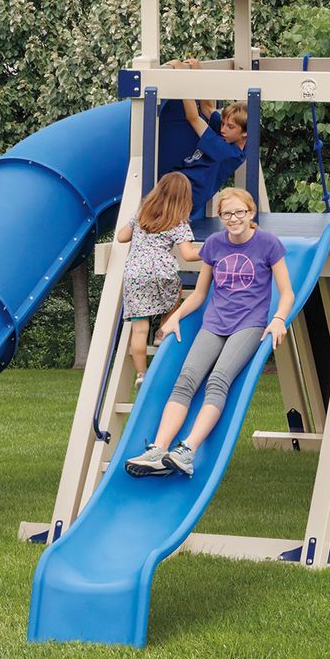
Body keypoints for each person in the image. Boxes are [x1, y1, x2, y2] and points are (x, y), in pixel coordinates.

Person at [124, 187, 291, 478]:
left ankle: (187, 450)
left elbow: (286, 293)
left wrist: (278, 319)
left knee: (218, 380)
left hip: (249, 324)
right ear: (221, 217)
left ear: (251, 213)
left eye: (239, 212)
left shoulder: (268, 244)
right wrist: (175, 317)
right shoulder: (214, 244)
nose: (233, 218)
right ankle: (158, 451)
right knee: (186, 380)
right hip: (214, 322)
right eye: (227, 214)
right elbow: (200, 294)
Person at [114, 171, 200, 390]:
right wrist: (213, 250)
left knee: (139, 329)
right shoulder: (177, 221)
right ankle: (163, 330)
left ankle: (141, 374)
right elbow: (189, 254)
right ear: (184, 197)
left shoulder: (143, 213)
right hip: (162, 272)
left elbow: (121, 236)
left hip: (135, 274)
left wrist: (137, 227)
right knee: (176, 290)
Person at [175, 97, 250, 218]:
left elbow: (192, 118)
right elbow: (207, 108)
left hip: (184, 197)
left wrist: (186, 85)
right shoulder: (235, 138)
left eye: (230, 127)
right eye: (222, 123)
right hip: (179, 186)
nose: (222, 129)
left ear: (245, 133)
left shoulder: (226, 153)